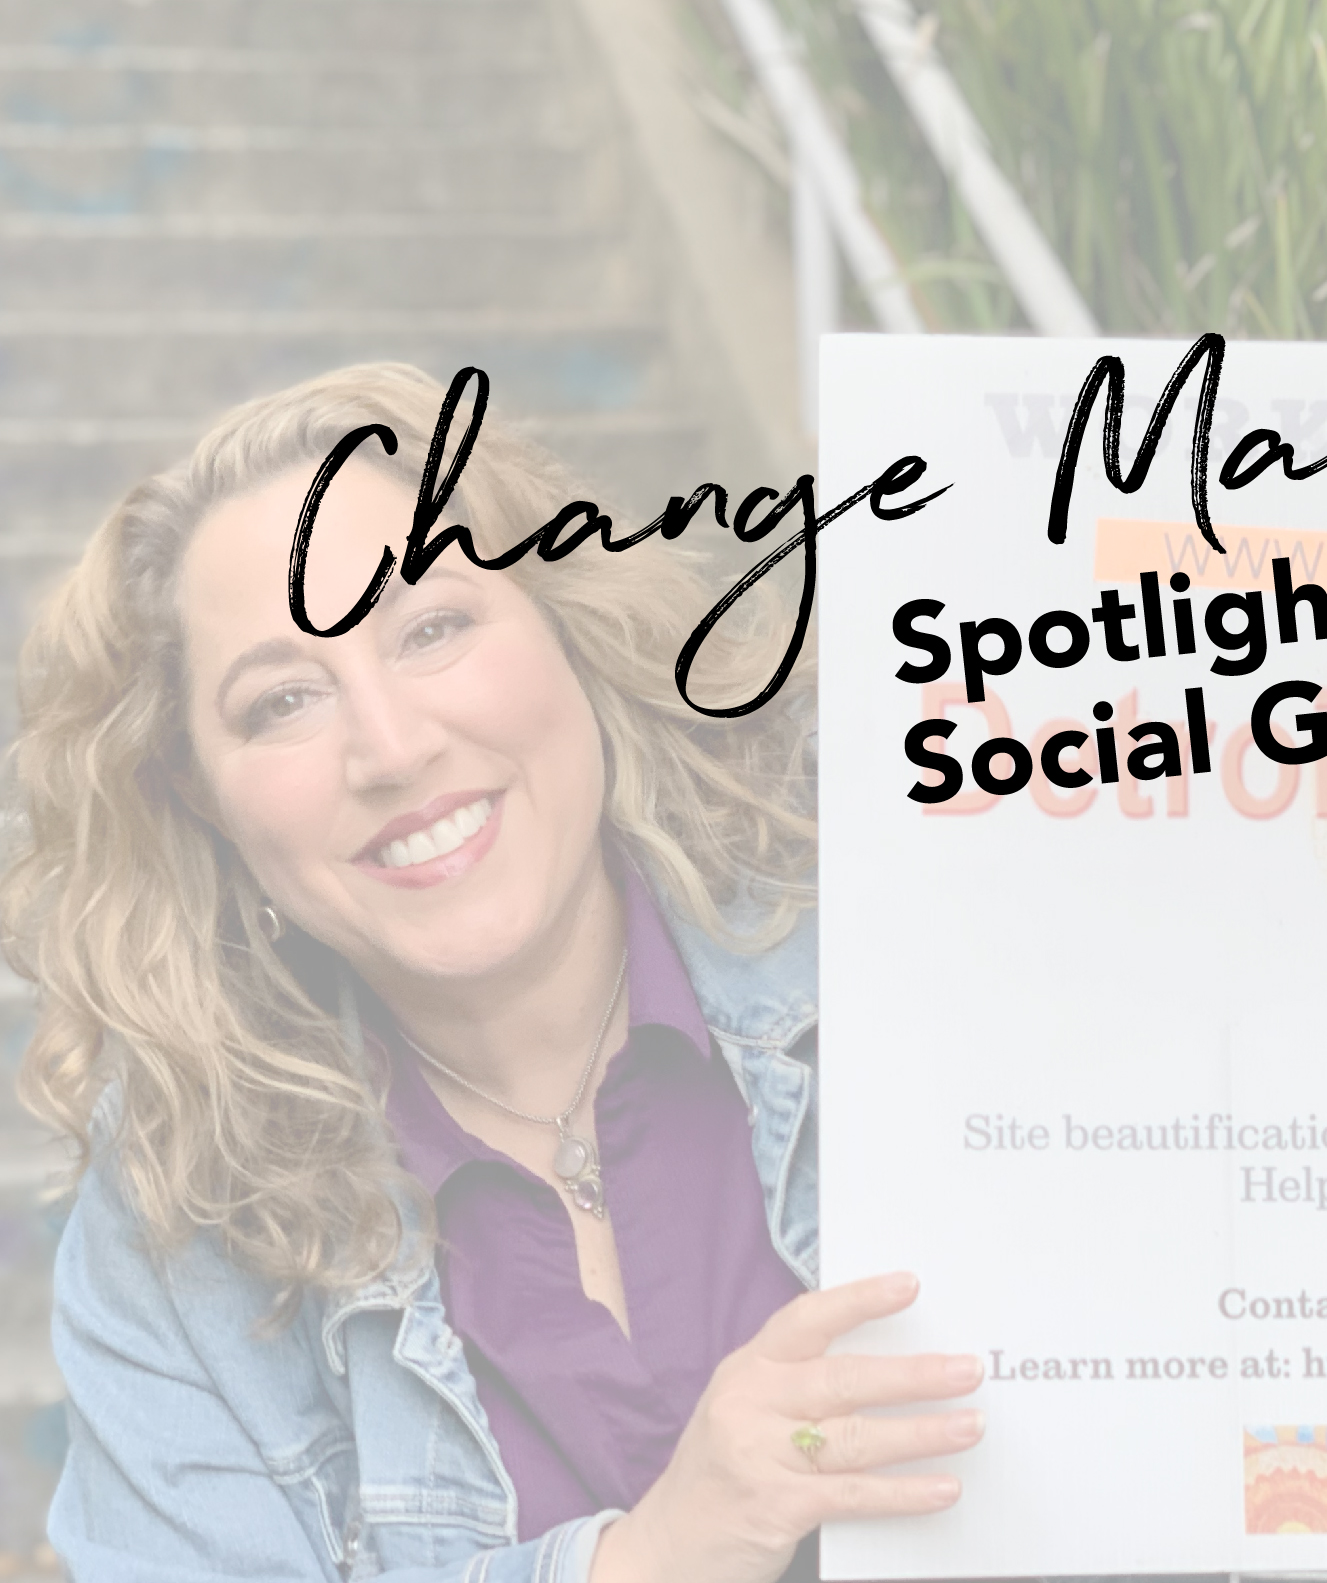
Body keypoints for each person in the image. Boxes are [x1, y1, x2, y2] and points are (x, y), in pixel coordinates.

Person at [1, 364, 983, 1583]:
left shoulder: (888, 893)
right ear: (204, 802)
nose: (393, 746)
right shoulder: (175, 1219)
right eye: (284, 700)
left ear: (565, 624)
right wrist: (649, 1561)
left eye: (432, 626)